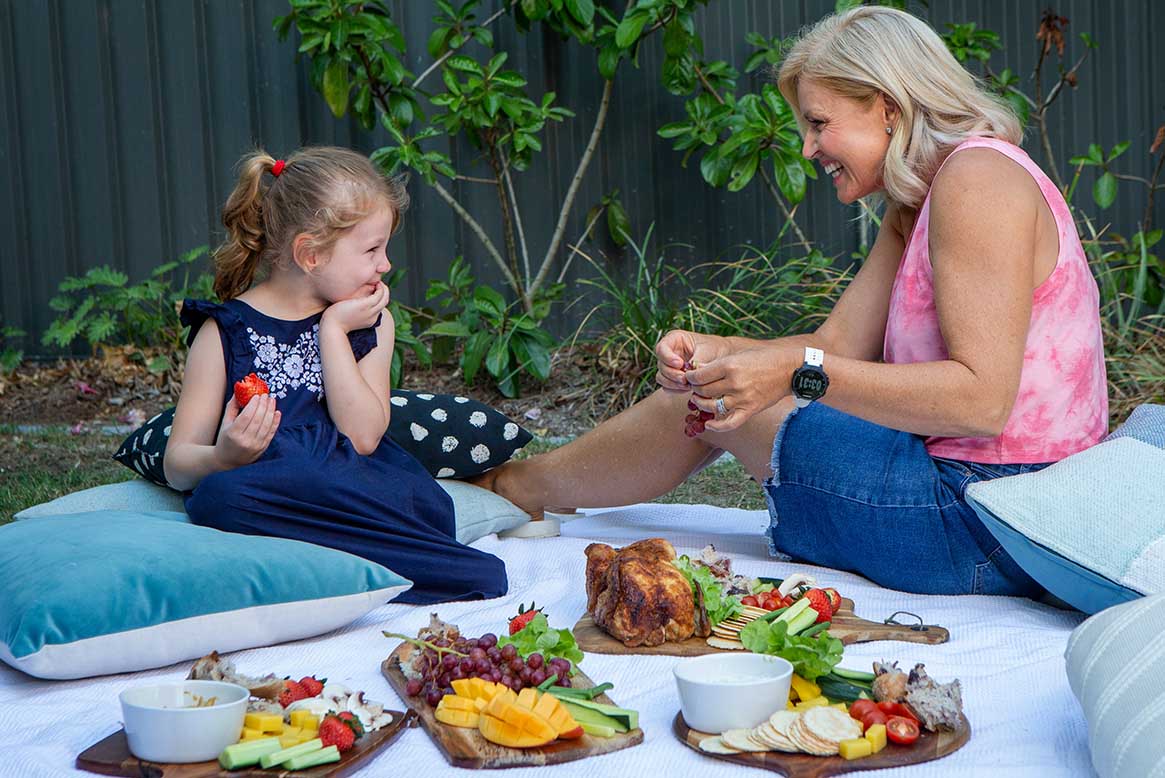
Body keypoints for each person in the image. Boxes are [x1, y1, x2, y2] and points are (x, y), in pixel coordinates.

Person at [476, 6, 1108, 597]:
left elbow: (980, 402)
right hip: (979, 496)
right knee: (718, 382)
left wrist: (786, 373)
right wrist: (725, 352)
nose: (808, 148)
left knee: (716, 398)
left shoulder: (977, 182)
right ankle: (523, 487)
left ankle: (511, 489)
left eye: (819, 122)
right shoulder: (921, 200)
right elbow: (833, 347)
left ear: (887, 106)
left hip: (993, 519)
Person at [164, 146, 507, 604]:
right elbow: (177, 464)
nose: (385, 265)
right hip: (271, 488)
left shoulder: (369, 323)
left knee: (430, 507)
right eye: (371, 250)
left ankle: (326, 573)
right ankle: (377, 572)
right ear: (310, 254)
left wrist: (333, 331)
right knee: (219, 498)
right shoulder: (223, 331)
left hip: (353, 486)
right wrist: (223, 456)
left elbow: (363, 436)